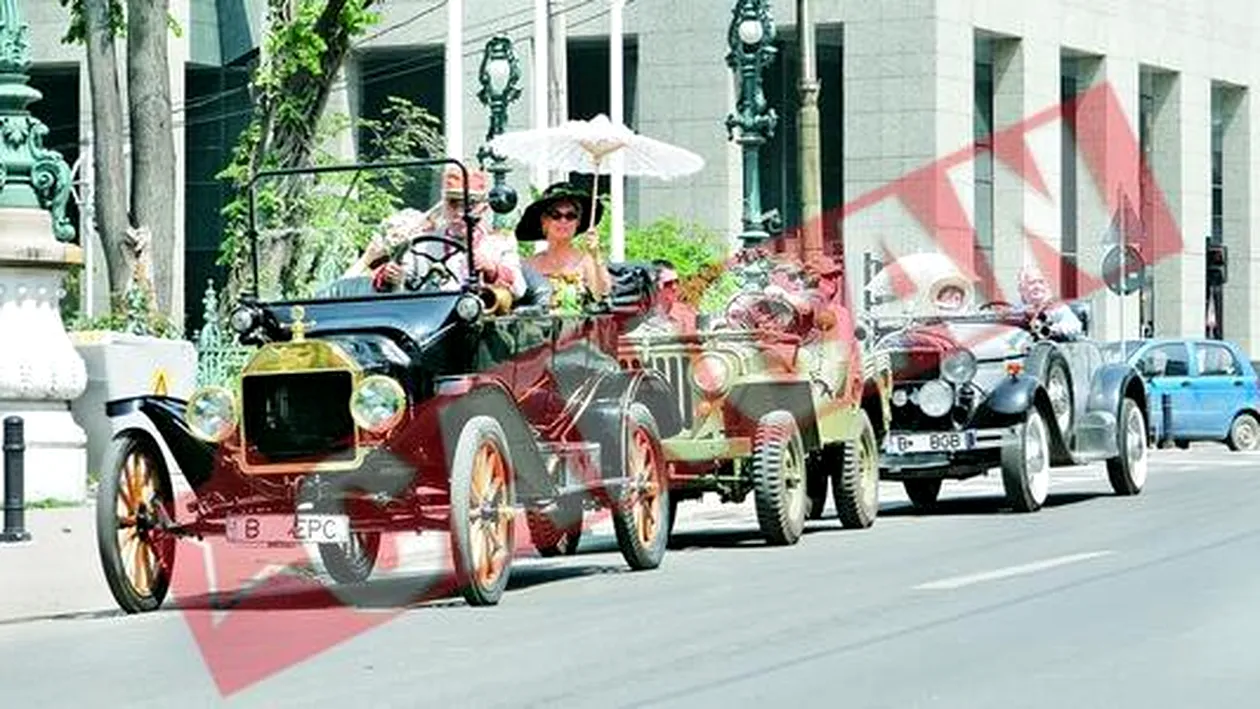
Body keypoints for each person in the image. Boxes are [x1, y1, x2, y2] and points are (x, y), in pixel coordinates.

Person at [366, 165, 526, 299]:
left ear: (483, 208)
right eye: (453, 203)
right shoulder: (423, 244)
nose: (459, 212)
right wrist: (394, 277)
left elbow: (520, 289)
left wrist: (491, 268)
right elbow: (401, 289)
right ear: (444, 205)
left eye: (468, 205)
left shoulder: (499, 243)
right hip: (432, 324)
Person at [516, 182, 612, 309]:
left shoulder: (587, 261)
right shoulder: (528, 265)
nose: (563, 221)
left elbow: (602, 294)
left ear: (577, 222)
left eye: (570, 216)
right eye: (556, 215)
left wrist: (596, 255)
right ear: (544, 222)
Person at [1018, 264, 1083, 339]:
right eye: (1032, 283)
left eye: (1041, 282)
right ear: (1021, 288)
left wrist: (1052, 329)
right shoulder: (1016, 311)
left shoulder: (1056, 308)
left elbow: (1075, 327)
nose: (1037, 286)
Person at [650, 259, 698, 333]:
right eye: (668, 283)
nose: (674, 287)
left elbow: (693, 342)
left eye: (676, 281)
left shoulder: (687, 313)